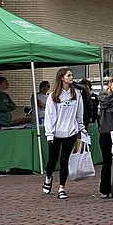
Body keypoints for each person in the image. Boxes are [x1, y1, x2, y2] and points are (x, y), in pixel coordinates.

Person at [43, 67, 86, 200]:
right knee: (52, 161)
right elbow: (49, 116)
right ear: (62, 78)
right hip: (56, 133)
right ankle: (48, 177)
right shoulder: (53, 96)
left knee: (64, 160)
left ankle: (62, 187)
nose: (71, 77)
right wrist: (49, 134)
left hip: (70, 132)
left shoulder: (77, 94)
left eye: (72, 75)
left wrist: (81, 128)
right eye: (69, 75)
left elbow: (80, 114)